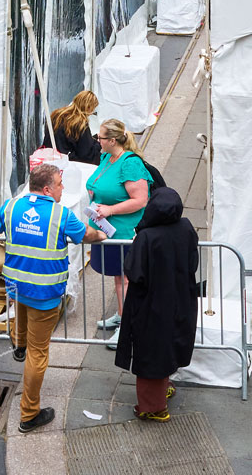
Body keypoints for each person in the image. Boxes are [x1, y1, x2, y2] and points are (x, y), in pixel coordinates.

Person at [0, 162, 106, 433]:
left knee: (21, 314)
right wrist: (103, 234)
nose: (63, 189)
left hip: (16, 284)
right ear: (48, 188)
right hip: (45, 291)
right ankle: (28, 414)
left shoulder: (11, 206)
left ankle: (18, 345)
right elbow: (87, 235)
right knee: (39, 354)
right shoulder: (61, 215)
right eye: (60, 184)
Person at [114, 187, 200, 422]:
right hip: (180, 297)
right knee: (170, 345)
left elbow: (134, 272)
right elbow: (192, 262)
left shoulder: (147, 237)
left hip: (151, 303)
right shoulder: (186, 228)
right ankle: (166, 385)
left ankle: (153, 407)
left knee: (150, 353)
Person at [86, 118, 153, 347]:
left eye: (101, 137)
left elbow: (141, 200)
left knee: (125, 279)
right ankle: (122, 314)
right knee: (118, 276)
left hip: (124, 232)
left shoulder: (130, 164)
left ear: (112, 140)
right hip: (107, 230)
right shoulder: (107, 157)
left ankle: (128, 326)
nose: (97, 140)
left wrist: (110, 209)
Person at [45, 91, 101, 165]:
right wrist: (99, 144)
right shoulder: (80, 122)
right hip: (65, 162)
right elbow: (86, 153)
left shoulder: (57, 114)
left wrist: (94, 137)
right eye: (93, 109)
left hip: (49, 156)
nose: (92, 112)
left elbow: (69, 140)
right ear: (89, 107)